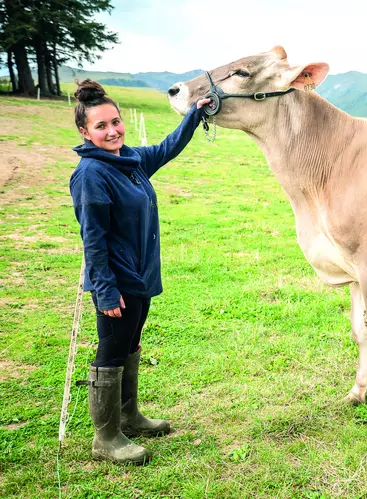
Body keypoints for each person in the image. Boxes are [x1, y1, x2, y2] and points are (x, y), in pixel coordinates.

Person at [69, 79, 211, 464]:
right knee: (111, 353)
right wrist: (104, 289)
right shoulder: (92, 174)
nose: (112, 130)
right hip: (117, 282)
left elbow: (166, 148)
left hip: (141, 277)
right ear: (84, 132)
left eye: (115, 122)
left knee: (130, 346)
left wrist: (195, 114)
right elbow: (92, 240)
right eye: (101, 126)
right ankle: (106, 438)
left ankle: (129, 416)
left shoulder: (128, 160)